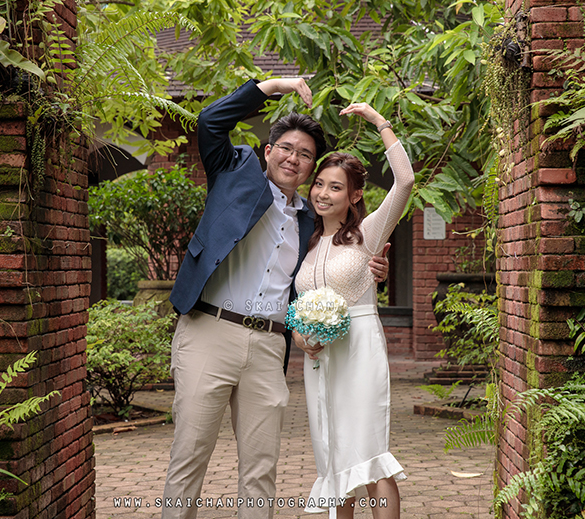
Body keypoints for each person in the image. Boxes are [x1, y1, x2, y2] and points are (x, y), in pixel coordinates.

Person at [162, 79, 391, 519]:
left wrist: (373, 268)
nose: (294, 158)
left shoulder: (310, 218)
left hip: (269, 347)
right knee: (189, 457)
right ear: (268, 152)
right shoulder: (232, 174)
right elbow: (211, 120)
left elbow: (334, 263)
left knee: (261, 470)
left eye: (305, 155)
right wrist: (273, 86)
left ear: (311, 169)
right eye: (286, 148)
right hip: (210, 331)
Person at [293, 102, 415, 519]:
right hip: (319, 361)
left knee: (368, 450)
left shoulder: (367, 232)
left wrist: (380, 122)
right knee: (333, 455)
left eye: (336, 187)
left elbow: (405, 181)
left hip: (359, 348)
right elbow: (298, 306)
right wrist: (299, 337)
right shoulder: (306, 243)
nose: (323, 194)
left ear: (355, 195)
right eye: (320, 185)